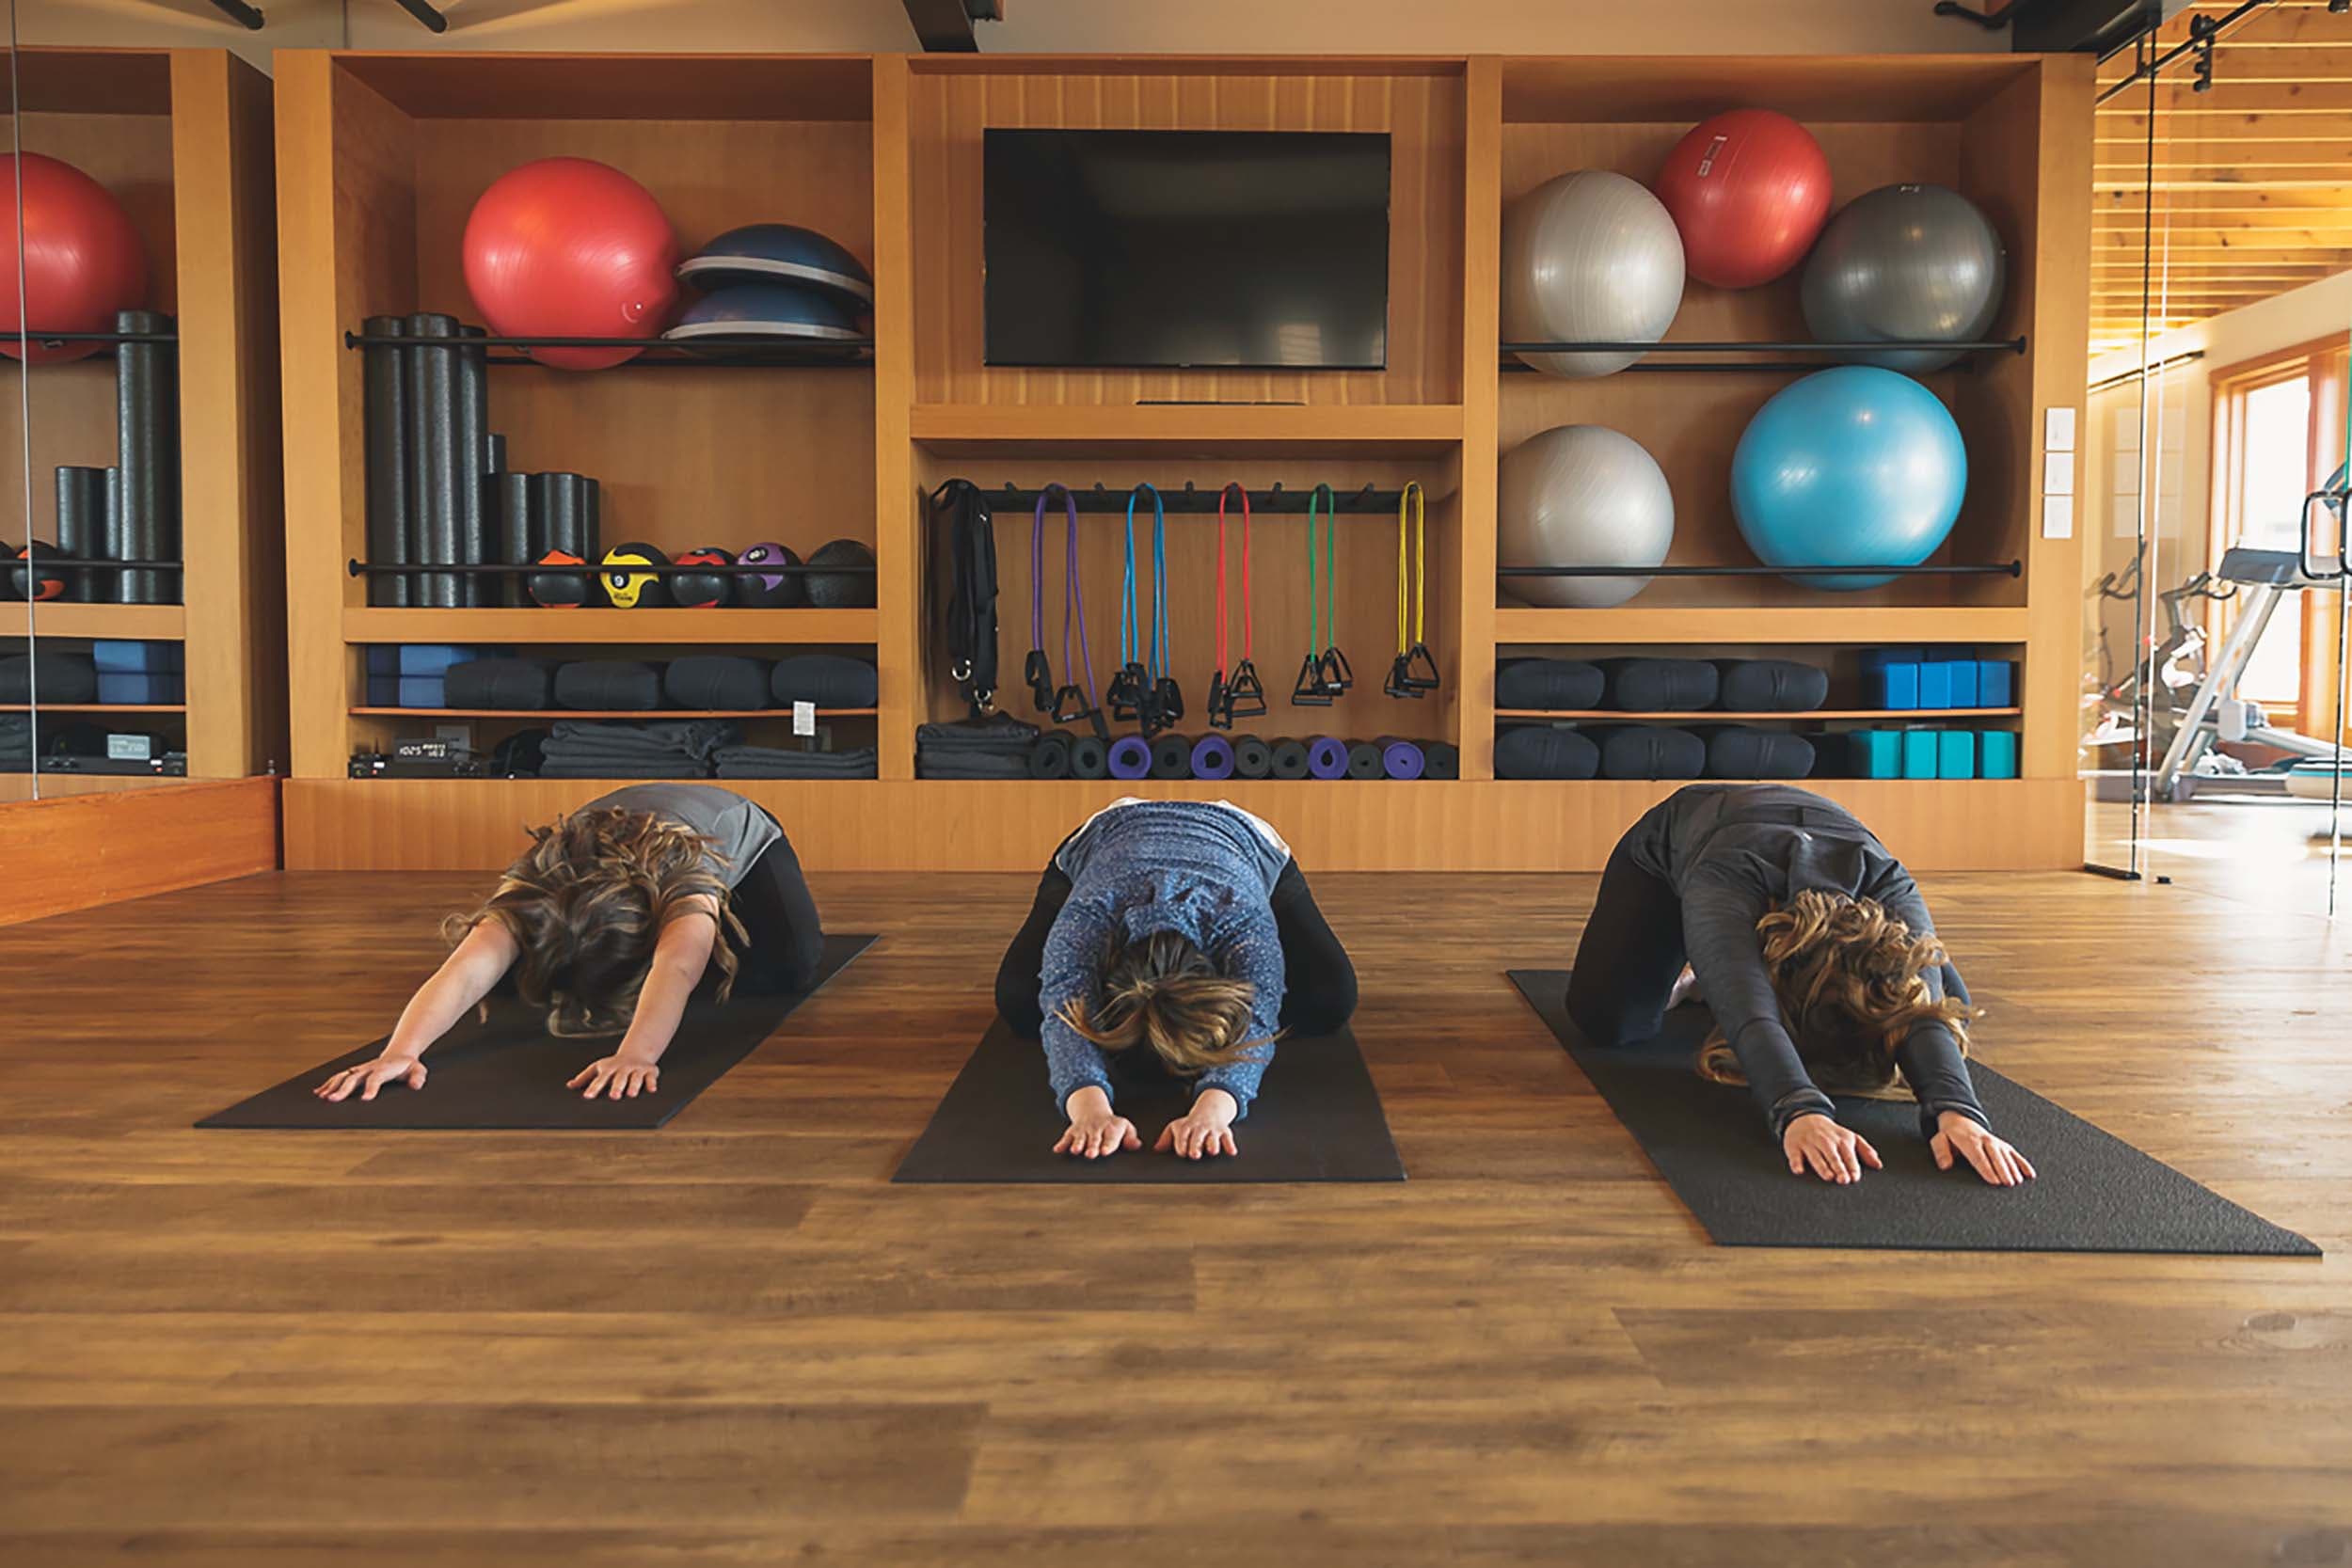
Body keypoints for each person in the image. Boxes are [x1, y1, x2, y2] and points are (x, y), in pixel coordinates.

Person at [1566, 783, 2034, 1187]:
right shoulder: (1724, 877)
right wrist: (1799, 1109)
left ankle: (1725, 965)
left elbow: (1919, 1009)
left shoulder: (1890, 881)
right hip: (1685, 843)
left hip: (1821, 839)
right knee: (1610, 1021)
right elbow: (1751, 1010)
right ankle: (1700, 970)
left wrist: (1958, 1111)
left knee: (1944, 1001)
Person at [315, 784, 824, 1104]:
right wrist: (400, 1051)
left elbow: (677, 967)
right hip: (603, 843)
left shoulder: (684, 878)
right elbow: (467, 966)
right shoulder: (537, 880)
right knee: (513, 967)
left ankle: (635, 971)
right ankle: (586, 964)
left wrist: (637, 1055)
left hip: (738, 826)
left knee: (789, 968)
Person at [993, 799, 1356, 1161]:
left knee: (1331, 997)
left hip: (1242, 840)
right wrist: (1090, 1110)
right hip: (1107, 838)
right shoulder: (1089, 914)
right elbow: (1064, 1002)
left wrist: (1215, 1106)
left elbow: (1259, 1008)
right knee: (1019, 1000)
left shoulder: (1240, 913)